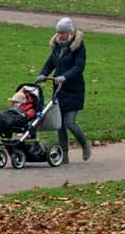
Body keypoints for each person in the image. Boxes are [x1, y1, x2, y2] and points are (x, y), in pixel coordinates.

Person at [36, 16, 92, 161]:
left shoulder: (78, 47)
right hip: (59, 90)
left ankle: (85, 144)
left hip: (74, 89)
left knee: (69, 122)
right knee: (59, 123)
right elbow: (50, 63)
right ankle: (64, 154)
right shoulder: (57, 46)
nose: (60, 36)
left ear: (70, 33)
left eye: (63, 33)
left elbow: (79, 67)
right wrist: (43, 74)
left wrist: (65, 77)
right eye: (59, 33)